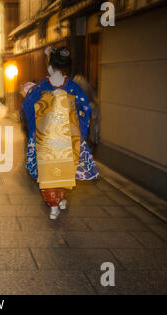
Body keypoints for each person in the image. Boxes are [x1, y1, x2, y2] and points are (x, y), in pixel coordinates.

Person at [21, 46, 98, 220]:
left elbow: (27, 106)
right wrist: (80, 131)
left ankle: (54, 204)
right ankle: (59, 200)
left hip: (45, 138)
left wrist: (35, 128)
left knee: (48, 173)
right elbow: (84, 107)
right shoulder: (73, 87)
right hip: (66, 139)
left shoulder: (41, 87)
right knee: (63, 171)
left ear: (51, 66)